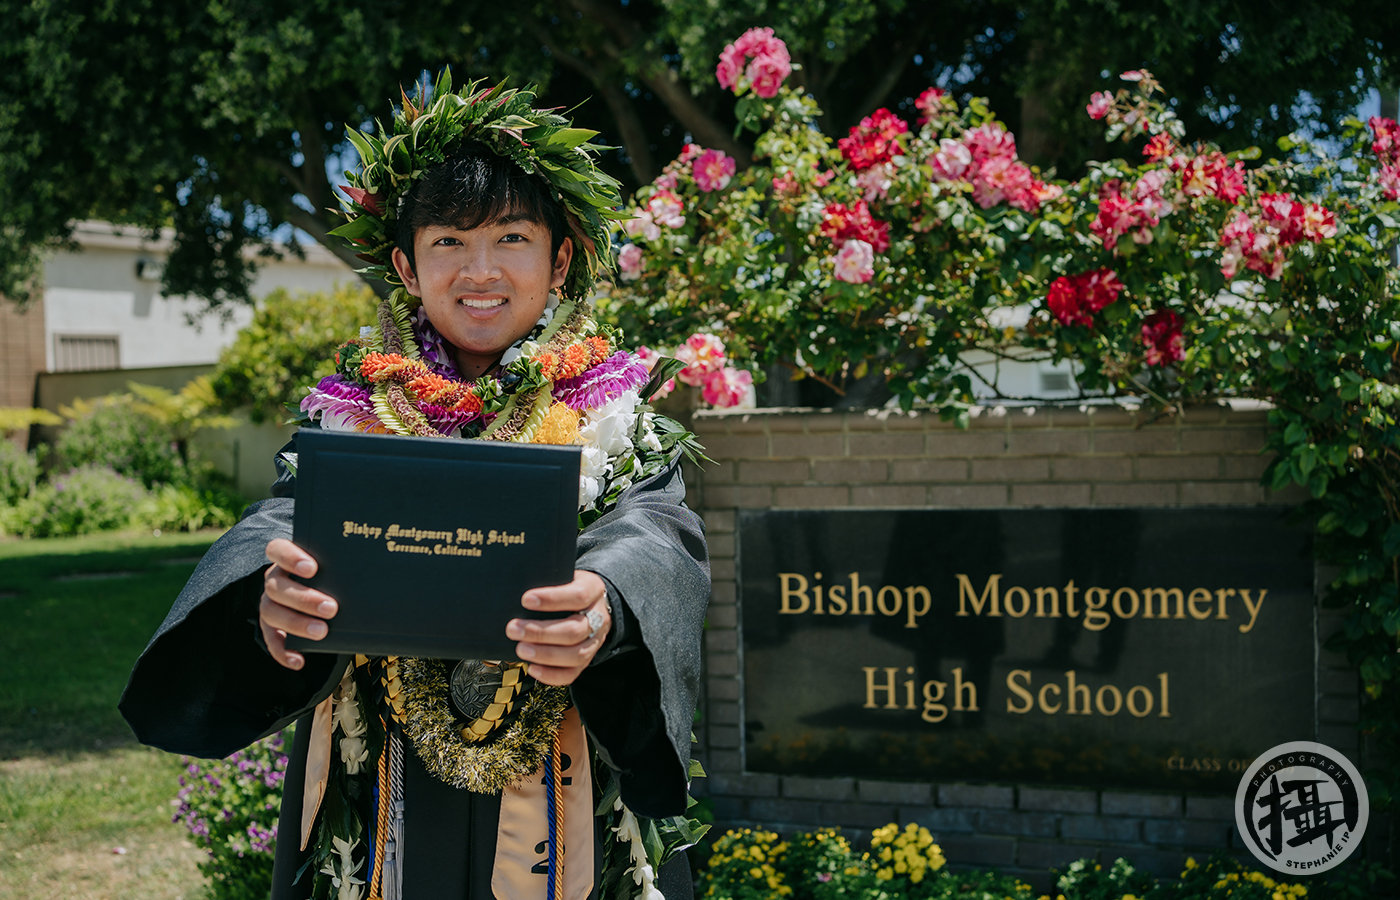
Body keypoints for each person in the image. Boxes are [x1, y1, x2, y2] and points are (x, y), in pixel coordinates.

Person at [120, 75, 710, 900]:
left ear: (560, 257)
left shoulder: (615, 409)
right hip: (383, 780)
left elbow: (658, 532)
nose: (481, 272)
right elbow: (283, 518)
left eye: (511, 238)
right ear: (405, 263)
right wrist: (268, 591)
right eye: (447, 243)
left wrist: (605, 603)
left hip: (569, 776)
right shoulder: (353, 414)